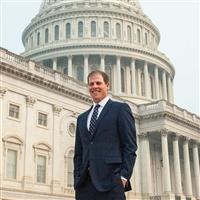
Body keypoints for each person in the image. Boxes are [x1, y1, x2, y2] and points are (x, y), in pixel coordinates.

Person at [73, 70, 137, 200]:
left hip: (111, 185)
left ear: (107, 85)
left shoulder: (120, 109)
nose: (94, 86)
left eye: (98, 83)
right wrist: (77, 178)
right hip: (84, 186)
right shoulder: (82, 118)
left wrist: (123, 178)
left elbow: (130, 146)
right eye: (91, 84)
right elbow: (78, 153)